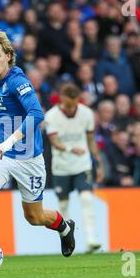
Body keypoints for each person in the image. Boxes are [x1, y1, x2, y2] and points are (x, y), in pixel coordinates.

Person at [0, 28, 75, 271]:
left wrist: (9, 142)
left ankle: (65, 227)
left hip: (28, 158)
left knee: (34, 217)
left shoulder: (18, 82)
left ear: (9, 56)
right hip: (1, 153)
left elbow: (37, 114)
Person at [44, 83, 104, 254]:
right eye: (68, 104)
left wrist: (98, 162)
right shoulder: (52, 116)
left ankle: (92, 239)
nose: (71, 108)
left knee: (86, 198)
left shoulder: (86, 113)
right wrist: (71, 149)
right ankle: (69, 241)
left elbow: (91, 139)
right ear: (61, 99)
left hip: (82, 165)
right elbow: (54, 141)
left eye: (74, 104)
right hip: (61, 167)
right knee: (63, 206)